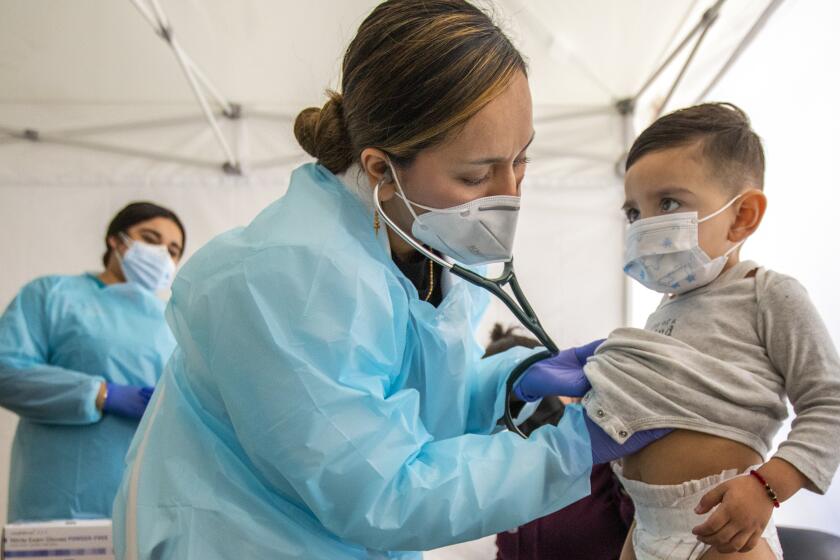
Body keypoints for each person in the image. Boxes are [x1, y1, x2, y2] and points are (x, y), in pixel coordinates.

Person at [112, 2, 666, 558]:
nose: (510, 195)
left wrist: (511, 383)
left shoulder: (428, 246)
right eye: (476, 175)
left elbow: (417, 414)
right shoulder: (287, 281)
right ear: (381, 168)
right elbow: (384, 492)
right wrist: (571, 448)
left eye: (521, 160)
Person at [523, 103, 840, 559]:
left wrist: (767, 487)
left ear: (743, 215)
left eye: (668, 204)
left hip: (726, 536)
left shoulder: (768, 294)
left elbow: (828, 403)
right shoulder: (665, 312)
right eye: (634, 212)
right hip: (648, 526)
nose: (645, 224)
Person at [0, 201, 184, 522]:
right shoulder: (52, 295)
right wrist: (101, 394)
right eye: (150, 239)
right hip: (57, 503)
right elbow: (6, 371)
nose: (162, 255)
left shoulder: (175, 323)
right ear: (116, 239)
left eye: (173, 250)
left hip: (149, 507)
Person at [486, 324, 634, 560]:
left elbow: (647, 532)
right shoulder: (507, 473)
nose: (529, 411)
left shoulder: (601, 458)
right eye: (512, 401)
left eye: (531, 394)